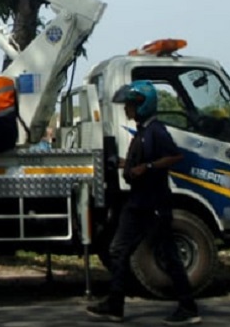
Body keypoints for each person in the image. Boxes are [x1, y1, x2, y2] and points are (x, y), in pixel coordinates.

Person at [86, 81, 201, 325]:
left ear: (142, 105)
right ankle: (115, 305)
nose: (126, 110)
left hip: (155, 202)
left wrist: (146, 167)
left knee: (168, 255)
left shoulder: (157, 131)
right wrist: (124, 164)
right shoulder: (142, 132)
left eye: (129, 105)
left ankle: (188, 307)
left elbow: (174, 156)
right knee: (118, 250)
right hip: (137, 202)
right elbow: (141, 160)